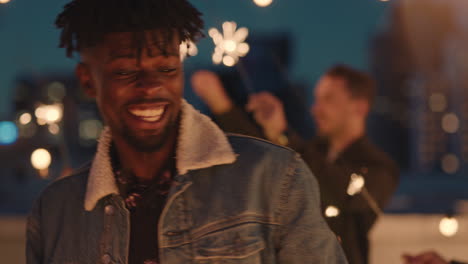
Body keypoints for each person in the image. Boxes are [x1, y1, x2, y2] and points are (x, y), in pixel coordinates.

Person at [26, 0, 348, 263]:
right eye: (125, 72)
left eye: (166, 68)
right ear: (87, 81)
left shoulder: (274, 177)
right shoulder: (56, 211)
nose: (150, 87)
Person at [192, 65, 399, 264]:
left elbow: (334, 188)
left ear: (359, 107)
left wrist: (282, 135)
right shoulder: (311, 153)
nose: (316, 108)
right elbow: (258, 159)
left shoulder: (380, 168)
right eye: (316, 99)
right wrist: (222, 104)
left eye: (328, 99)